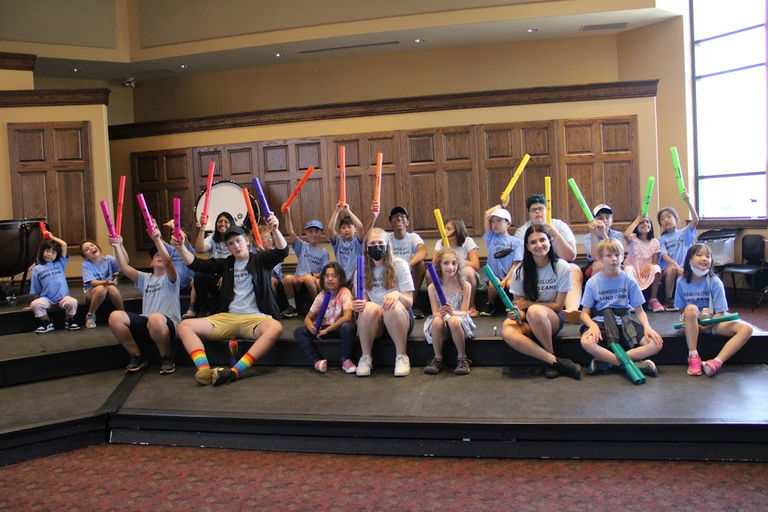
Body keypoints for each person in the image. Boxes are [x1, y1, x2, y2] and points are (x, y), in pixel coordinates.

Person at [171, 214, 288, 386]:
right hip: (227, 317)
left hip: (256, 319)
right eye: (231, 243)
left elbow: (282, 252)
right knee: (184, 326)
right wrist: (181, 248)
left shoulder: (260, 260)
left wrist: (275, 230)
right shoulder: (225, 264)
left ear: (247, 241)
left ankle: (235, 371)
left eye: (238, 241)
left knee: (275, 328)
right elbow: (196, 264)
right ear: (228, 248)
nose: (236, 245)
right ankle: (204, 370)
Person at [503, 225, 581, 378]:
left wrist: (529, 305)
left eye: (542, 240)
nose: (539, 245)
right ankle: (553, 361)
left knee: (535, 311)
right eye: (533, 242)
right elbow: (519, 307)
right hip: (528, 318)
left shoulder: (562, 267)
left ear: (550, 242)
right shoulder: (520, 271)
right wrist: (516, 313)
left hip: (552, 318)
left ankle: (550, 355)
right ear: (527, 247)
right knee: (508, 331)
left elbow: (558, 306)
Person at [579, 239, 663, 377]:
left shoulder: (629, 280)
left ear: (622, 257)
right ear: (600, 259)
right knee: (586, 342)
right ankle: (631, 364)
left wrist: (647, 327)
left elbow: (639, 310)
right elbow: (584, 314)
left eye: (617, 255)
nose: (614, 259)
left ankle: (609, 362)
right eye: (609, 255)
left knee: (656, 344)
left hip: (624, 321)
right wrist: (592, 325)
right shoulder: (592, 282)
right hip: (601, 322)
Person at [108, 226, 180, 374]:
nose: (159, 256)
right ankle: (136, 356)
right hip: (147, 322)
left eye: (161, 254)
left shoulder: (172, 277)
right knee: (115, 316)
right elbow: (123, 267)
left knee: (155, 318)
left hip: (168, 324)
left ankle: (166, 357)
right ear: (151, 263)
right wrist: (117, 246)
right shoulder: (144, 278)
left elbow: (168, 263)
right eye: (156, 255)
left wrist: (157, 239)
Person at [675, 243, 752, 377]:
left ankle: (716, 362)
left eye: (708, 256)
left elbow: (720, 312)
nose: (704, 259)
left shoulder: (715, 282)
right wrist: (694, 321)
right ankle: (693, 356)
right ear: (689, 260)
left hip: (714, 321)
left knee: (746, 329)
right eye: (699, 255)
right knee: (691, 308)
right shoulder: (681, 282)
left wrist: (707, 325)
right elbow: (682, 310)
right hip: (692, 321)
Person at [353, 227, 415, 377]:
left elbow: (409, 302)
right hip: (377, 320)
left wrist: (397, 295)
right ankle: (365, 357)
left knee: (392, 306)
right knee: (368, 308)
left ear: (387, 245)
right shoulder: (361, 269)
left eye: (380, 243)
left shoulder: (399, 264)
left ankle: (401, 356)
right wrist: (358, 305)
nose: (377, 246)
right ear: (366, 248)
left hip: (400, 316)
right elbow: (364, 300)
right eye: (372, 244)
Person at [514, 194, 583, 322]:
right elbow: (521, 259)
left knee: (573, 268)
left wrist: (555, 234)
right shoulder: (522, 231)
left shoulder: (560, 225)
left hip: (559, 267)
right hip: (534, 268)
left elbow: (571, 256)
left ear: (547, 210)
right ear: (529, 213)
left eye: (541, 208)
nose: (538, 212)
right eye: (533, 210)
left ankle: (570, 311)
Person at [292, 262, 357, 374]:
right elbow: (308, 318)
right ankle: (316, 362)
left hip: (339, 328)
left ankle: (346, 360)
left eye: (334, 276)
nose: (330, 279)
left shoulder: (345, 292)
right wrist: (312, 327)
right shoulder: (322, 295)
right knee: (299, 331)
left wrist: (326, 330)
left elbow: (347, 317)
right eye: (327, 276)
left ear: (340, 278)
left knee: (348, 327)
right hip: (326, 327)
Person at [422, 249, 476, 375]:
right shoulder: (432, 288)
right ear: (439, 266)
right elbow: (435, 312)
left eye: (454, 263)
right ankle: (438, 358)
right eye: (446, 263)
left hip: (459, 320)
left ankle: (462, 358)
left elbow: (465, 312)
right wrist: (442, 313)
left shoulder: (465, 286)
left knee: (454, 321)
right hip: (441, 319)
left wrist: (452, 313)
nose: (451, 267)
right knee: (437, 322)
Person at [282, 209, 331, 317]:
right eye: (310, 231)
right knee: (287, 278)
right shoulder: (302, 246)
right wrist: (288, 213)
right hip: (298, 279)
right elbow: (290, 231)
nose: (313, 234)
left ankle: (316, 308)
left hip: (312, 278)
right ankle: (292, 307)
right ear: (306, 233)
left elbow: (324, 272)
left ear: (320, 233)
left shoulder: (323, 252)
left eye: (316, 231)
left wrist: (310, 275)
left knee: (308, 279)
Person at [188, 211, 236, 318]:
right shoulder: (212, 238)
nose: (222, 224)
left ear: (231, 224)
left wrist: (226, 276)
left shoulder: (235, 239)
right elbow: (199, 250)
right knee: (199, 276)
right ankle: (203, 309)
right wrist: (202, 227)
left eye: (226, 222)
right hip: (214, 275)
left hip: (231, 275)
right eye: (220, 221)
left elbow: (240, 261)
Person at [28, 233, 80, 333]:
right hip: (47, 299)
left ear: (57, 255)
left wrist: (52, 238)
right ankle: (47, 323)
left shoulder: (60, 263)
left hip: (62, 298)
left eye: (53, 252)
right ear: (42, 251)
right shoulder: (37, 269)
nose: (49, 254)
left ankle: (69, 320)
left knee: (73, 302)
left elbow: (64, 244)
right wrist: (33, 304)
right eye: (47, 251)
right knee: (35, 304)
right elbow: (36, 288)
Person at [479, 201, 523, 316]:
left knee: (510, 284)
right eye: (493, 221)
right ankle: (490, 304)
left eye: (499, 221)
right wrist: (502, 204)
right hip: (494, 275)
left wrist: (506, 279)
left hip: (510, 275)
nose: (495, 224)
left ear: (508, 223)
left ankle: (517, 306)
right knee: (494, 283)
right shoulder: (491, 238)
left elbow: (517, 263)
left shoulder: (517, 242)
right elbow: (487, 214)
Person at [384, 206, 428, 318]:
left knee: (420, 264)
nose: (399, 218)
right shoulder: (386, 237)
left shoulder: (413, 237)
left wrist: (407, 265)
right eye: (395, 217)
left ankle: (412, 303)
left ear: (407, 222)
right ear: (390, 222)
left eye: (402, 216)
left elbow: (423, 251)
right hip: (390, 272)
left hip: (408, 272)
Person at [658, 195, 699, 311]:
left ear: (675, 219)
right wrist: (675, 265)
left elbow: (695, 220)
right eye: (662, 219)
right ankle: (668, 300)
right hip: (668, 269)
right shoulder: (662, 239)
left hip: (684, 267)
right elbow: (664, 255)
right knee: (672, 269)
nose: (666, 220)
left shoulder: (684, 233)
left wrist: (688, 202)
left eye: (669, 217)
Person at [434, 218, 481, 317]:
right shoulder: (440, 242)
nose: (445, 231)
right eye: (444, 228)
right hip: (446, 274)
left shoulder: (467, 241)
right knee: (430, 273)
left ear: (457, 230)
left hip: (463, 273)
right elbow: (435, 263)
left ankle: (470, 305)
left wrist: (456, 262)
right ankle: (438, 306)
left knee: (468, 272)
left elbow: (475, 265)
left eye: (449, 229)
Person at [623, 214, 663, 312]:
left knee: (656, 268)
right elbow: (626, 235)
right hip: (634, 268)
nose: (645, 224)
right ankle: (631, 300)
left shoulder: (655, 242)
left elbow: (655, 262)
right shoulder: (633, 238)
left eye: (647, 222)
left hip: (646, 270)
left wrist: (650, 265)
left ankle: (653, 299)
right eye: (641, 222)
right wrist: (638, 219)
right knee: (628, 269)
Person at [80, 240, 124, 328]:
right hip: (92, 292)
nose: (91, 248)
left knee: (112, 288)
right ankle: (90, 315)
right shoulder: (86, 264)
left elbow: (123, 263)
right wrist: (106, 282)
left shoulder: (108, 259)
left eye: (92, 245)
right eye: (87, 249)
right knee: (101, 288)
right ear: (85, 256)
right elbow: (92, 282)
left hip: (108, 289)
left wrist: (119, 245)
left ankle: (123, 314)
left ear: (98, 247)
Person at [583, 204, 624, 278]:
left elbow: (614, 251)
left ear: (611, 221)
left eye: (607, 218)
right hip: (594, 263)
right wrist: (593, 232)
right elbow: (596, 257)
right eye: (600, 218)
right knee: (600, 265)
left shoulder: (618, 235)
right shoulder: (587, 237)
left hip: (615, 261)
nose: (604, 220)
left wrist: (603, 234)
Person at [327, 202, 364, 282]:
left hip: (355, 277)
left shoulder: (357, 242)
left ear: (355, 230)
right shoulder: (338, 242)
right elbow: (330, 229)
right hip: (340, 277)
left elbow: (360, 227)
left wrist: (348, 211)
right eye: (343, 228)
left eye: (349, 227)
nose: (346, 230)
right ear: (340, 230)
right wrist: (336, 211)